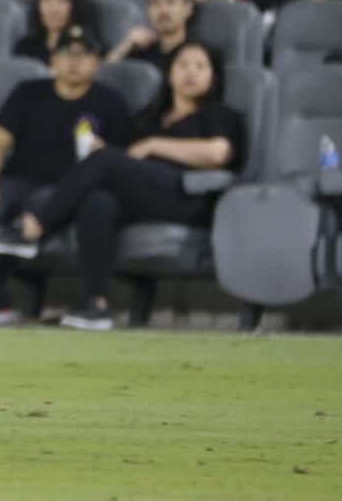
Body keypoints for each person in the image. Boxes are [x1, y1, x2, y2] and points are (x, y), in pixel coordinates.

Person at [16, 41, 244, 330]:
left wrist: (153, 145)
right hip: (146, 197)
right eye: (183, 65)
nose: (191, 73)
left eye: (200, 66)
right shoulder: (151, 116)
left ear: (213, 77)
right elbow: (126, 158)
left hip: (188, 196)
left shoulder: (217, 114)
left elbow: (217, 153)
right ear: (170, 73)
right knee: (97, 202)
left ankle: (36, 225)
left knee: (107, 160)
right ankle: (95, 304)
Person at [0, 29, 131, 314]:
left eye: (83, 54)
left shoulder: (111, 102)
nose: (73, 61)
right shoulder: (28, 92)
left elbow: (122, 160)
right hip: (20, 181)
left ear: (97, 62)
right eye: (65, 53)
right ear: (53, 59)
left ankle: (94, 301)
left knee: (99, 205)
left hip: (72, 190)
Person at [105, 0, 194, 72]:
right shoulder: (140, 54)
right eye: (155, 2)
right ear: (147, 9)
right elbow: (101, 78)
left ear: (188, 7)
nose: (163, 10)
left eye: (170, 1)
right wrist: (125, 44)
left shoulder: (199, 55)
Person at [14, 0, 92, 64]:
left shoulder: (89, 49)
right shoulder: (25, 49)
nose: (53, 9)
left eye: (62, 0)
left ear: (75, 4)